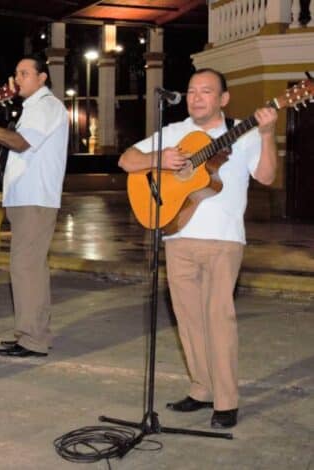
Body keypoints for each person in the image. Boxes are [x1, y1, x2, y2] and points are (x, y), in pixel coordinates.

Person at [118, 68, 278, 429]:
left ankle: (226, 400)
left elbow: (267, 176)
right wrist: (158, 159)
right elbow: (127, 159)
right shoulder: (174, 132)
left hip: (223, 239)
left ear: (224, 99)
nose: (196, 97)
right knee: (188, 320)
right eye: (191, 91)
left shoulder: (245, 132)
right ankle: (201, 389)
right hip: (176, 235)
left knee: (219, 319)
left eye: (206, 91)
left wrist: (268, 134)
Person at [0, 54, 69, 358]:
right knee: (28, 268)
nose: (17, 79)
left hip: (36, 198)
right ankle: (31, 332)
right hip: (25, 198)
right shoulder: (32, 108)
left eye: (24, 73)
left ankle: (32, 339)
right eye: (16, 73)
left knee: (26, 268)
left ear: (42, 78)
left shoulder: (47, 106)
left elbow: (21, 143)